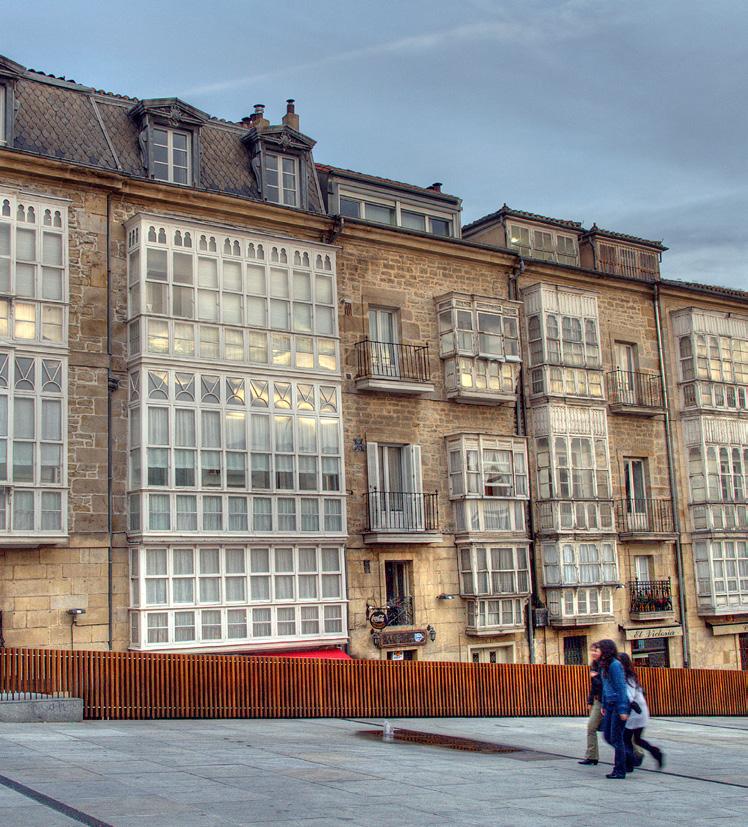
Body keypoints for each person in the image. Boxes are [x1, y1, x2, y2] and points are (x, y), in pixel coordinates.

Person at [619, 653, 665, 770]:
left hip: (635, 712)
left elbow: (630, 695)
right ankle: (656, 753)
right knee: (637, 739)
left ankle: (629, 763)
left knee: (626, 738)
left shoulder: (627, 677)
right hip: (640, 710)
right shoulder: (630, 676)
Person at [597, 639, 631, 779]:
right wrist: (604, 704)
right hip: (610, 704)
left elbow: (621, 687)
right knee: (608, 736)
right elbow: (605, 687)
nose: (596, 652)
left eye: (598, 649)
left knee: (616, 738)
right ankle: (628, 756)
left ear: (605, 650)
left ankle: (620, 770)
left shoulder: (615, 665)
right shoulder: (604, 665)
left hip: (618, 704)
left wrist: (623, 709)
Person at [578, 643, 603, 766]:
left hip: (608, 701)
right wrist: (590, 701)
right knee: (591, 727)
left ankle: (634, 753)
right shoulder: (594, 665)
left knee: (617, 731)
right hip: (598, 700)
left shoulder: (606, 665)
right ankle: (592, 756)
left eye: (595, 651)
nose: (593, 653)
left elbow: (603, 684)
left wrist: (596, 676)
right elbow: (594, 686)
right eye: (591, 651)